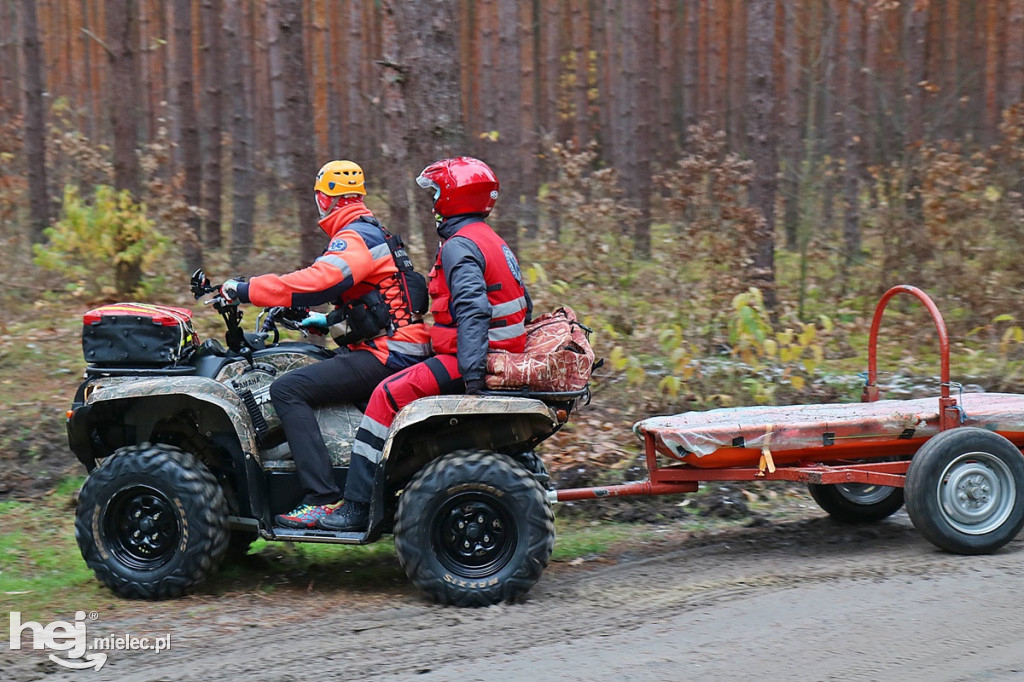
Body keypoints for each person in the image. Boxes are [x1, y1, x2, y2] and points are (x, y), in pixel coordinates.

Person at [318, 156, 531, 532]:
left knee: (385, 395)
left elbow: (473, 311)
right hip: (493, 349)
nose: (432, 202)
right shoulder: (492, 240)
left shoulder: (459, 246)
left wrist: (473, 377)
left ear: (452, 197)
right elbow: (523, 304)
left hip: (470, 356)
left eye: (435, 193)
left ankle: (355, 505)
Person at [220, 160, 431, 529]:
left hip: (390, 352)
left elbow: (321, 281)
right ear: (358, 195)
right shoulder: (373, 230)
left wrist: (247, 289)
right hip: (400, 344)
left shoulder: (354, 236)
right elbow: (379, 300)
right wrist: (327, 321)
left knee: (287, 389)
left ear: (323, 198)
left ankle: (321, 498)